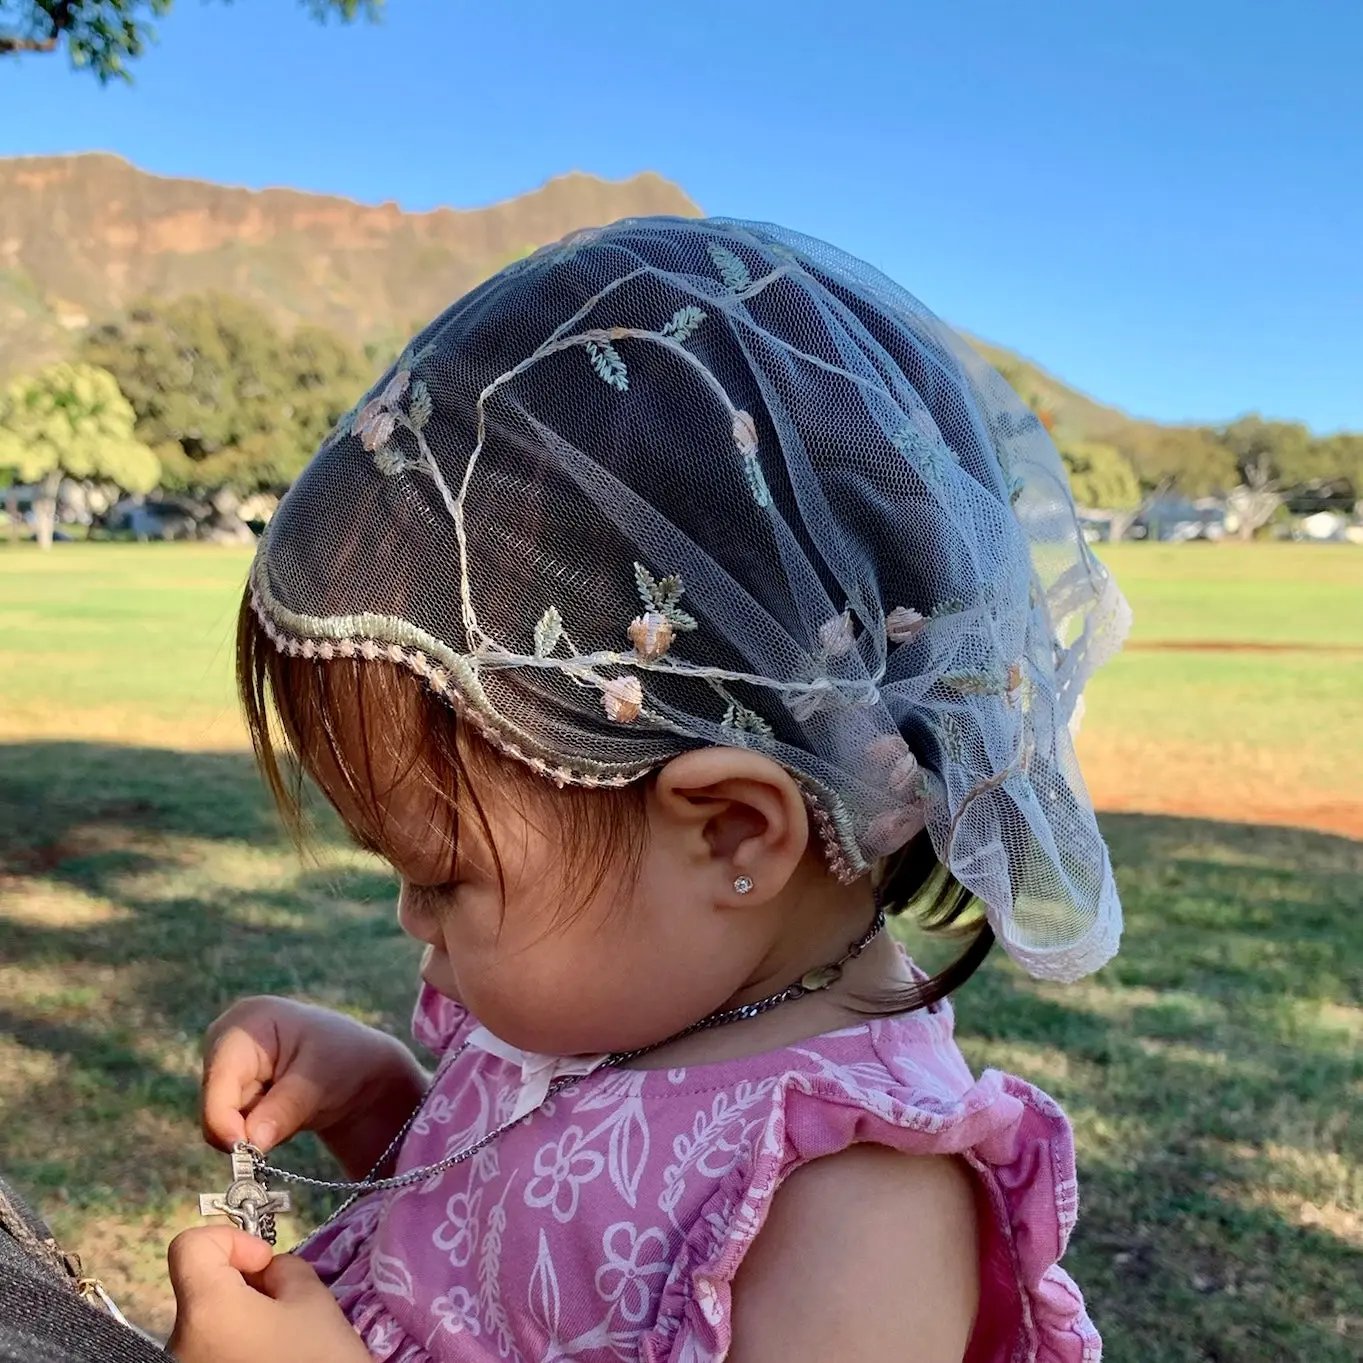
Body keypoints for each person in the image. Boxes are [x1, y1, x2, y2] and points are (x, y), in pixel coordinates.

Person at [167, 217, 1130, 1362]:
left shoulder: (854, 1206)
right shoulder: (630, 987)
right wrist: (381, 1102)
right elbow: (490, 1244)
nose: (409, 917)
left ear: (729, 832)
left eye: (440, 875)